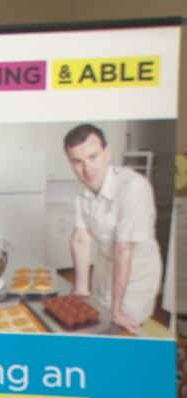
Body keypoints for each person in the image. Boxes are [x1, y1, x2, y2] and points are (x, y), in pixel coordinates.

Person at [64, 123, 162, 334]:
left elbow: (124, 249)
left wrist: (117, 308)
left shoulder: (133, 187)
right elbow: (81, 237)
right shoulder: (80, 185)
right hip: (105, 267)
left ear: (107, 153)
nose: (87, 168)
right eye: (78, 162)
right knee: (98, 322)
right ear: (70, 162)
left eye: (93, 157)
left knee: (123, 328)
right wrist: (81, 290)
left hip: (136, 273)